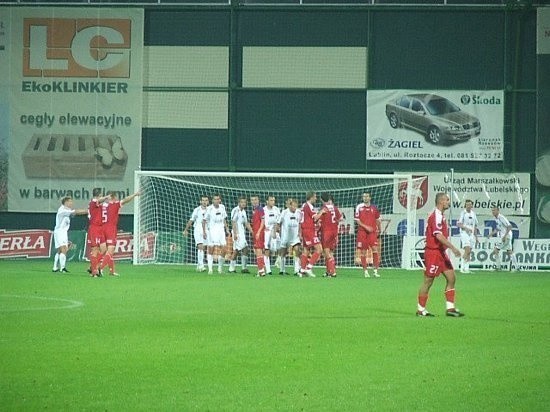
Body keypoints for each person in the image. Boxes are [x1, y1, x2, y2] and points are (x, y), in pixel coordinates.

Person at [417, 192, 464, 317]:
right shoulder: (436, 216)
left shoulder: (440, 215)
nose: (449, 202)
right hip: (433, 253)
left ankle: (450, 309)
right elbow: (438, 235)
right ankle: (421, 310)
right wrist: (453, 248)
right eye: (447, 200)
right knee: (428, 281)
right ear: (441, 201)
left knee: (451, 278)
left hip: (441, 253)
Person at [99, 191, 141, 276]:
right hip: (110, 228)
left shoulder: (102, 205)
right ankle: (101, 268)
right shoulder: (114, 204)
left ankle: (111, 271)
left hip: (101, 227)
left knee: (106, 250)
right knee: (110, 250)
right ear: (114, 197)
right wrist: (135, 195)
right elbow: (125, 200)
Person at [52, 196, 87, 273]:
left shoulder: (66, 210)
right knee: (64, 249)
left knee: (59, 250)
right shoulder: (62, 210)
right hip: (60, 232)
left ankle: (55, 267)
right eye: (70, 201)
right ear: (66, 202)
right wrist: (88, 210)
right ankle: (62, 268)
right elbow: (76, 212)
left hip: (61, 232)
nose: (72, 203)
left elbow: (72, 214)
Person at [355, 192, 381, 278]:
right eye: (363, 196)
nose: (365, 198)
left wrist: (379, 229)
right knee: (363, 252)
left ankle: (375, 271)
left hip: (372, 232)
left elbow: (377, 219)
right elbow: (357, 221)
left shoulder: (374, 208)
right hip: (362, 232)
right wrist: (366, 227)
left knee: (375, 250)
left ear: (370, 198)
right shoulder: (359, 207)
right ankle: (365, 271)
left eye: (366, 196)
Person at [487, 207, 519, 271]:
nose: (493, 212)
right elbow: (498, 228)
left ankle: (498, 267)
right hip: (507, 236)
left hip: (506, 236)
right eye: (492, 211)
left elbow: (509, 226)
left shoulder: (501, 218)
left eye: (494, 210)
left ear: (498, 211)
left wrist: (505, 236)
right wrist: (491, 234)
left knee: (496, 250)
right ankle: (517, 267)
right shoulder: (497, 219)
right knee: (509, 251)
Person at [203, 194, 229, 274]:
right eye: (214, 199)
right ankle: (210, 269)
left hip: (221, 230)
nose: (216, 201)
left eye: (218, 199)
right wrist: (204, 232)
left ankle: (219, 268)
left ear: (220, 200)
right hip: (212, 231)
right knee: (211, 248)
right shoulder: (209, 209)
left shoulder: (222, 207)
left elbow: (224, 218)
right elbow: (204, 221)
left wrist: (227, 228)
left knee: (224, 248)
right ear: (212, 200)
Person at [318, 193, 342, 277]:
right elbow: (340, 219)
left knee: (327, 253)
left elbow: (318, 221)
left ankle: (332, 272)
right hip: (334, 232)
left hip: (326, 232)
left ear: (321, 200)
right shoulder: (335, 208)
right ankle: (328, 271)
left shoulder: (324, 209)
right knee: (330, 252)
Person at [299, 191, 322, 277]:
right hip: (309, 230)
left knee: (306, 250)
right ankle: (309, 268)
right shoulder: (309, 206)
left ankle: (302, 270)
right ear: (311, 197)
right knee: (319, 249)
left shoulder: (303, 206)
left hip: (305, 230)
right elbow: (315, 217)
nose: (316, 198)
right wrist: (322, 212)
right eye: (315, 197)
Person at [183, 195, 209, 272]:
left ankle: (198, 265)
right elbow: (191, 220)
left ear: (208, 201)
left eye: (206, 200)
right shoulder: (197, 210)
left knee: (204, 248)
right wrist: (186, 230)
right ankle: (201, 266)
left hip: (206, 230)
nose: (204, 202)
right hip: (198, 229)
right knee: (200, 246)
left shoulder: (210, 209)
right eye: (203, 200)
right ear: (200, 201)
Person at [277, 198, 302, 276]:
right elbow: (278, 223)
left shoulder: (299, 212)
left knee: (297, 250)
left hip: (295, 237)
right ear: (290, 206)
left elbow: (300, 223)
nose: (295, 207)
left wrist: (300, 234)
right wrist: (277, 233)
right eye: (293, 206)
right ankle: (282, 270)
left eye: (296, 206)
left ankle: (296, 270)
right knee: (283, 253)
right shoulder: (284, 212)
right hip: (285, 236)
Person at [257, 195, 281, 275]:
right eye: (271, 200)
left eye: (273, 200)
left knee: (280, 248)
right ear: (267, 201)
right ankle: (268, 269)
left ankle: (278, 261)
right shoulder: (263, 210)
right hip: (266, 232)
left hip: (275, 231)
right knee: (267, 250)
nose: (273, 202)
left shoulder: (276, 209)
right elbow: (261, 221)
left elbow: (278, 221)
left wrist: (275, 230)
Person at [88, 188, 109, 277]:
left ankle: (93, 266)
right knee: (95, 250)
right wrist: (106, 197)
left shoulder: (99, 204)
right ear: (99, 195)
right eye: (101, 195)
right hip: (94, 228)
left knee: (104, 249)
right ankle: (94, 272)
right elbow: (99, 201)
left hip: (100, 228)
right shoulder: (93, 202)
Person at [229, 196, 253, 274]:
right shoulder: (236, 210)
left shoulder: (243, 212)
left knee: (244, 249)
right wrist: (235, 233)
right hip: (237, 233)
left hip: (242, 233)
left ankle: (242, 268)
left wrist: (252, 231)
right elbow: (233, 222)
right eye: (242, 202)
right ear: (239, 203)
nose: (243, 203)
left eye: (244, 202)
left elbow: (246, 223)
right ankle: (232, 268)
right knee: (237, 250)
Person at [457, 199, 479, 273]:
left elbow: (475, 226)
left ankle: (467, 268)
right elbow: (458, 224)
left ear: (472, 205)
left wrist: (476, 237)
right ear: (465, 205)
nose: (468, 206)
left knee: (470, 251)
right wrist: (465, 228)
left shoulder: (473, 214)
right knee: (467, 250)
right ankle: (462, 268)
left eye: (470, 204)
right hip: (464, 233)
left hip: (471, 234)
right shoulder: (463, 213)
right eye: (467, 204)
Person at [250, 195, 266, 276]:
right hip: (256, 232)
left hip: (259, 233)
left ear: (258, 200)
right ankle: (261, 269)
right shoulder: (254, 210)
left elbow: (263, 221)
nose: (254, 201)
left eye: (255, 199)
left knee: (259, 250)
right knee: (258, 251)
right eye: (252, 200)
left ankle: (261, 271)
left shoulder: (260, 209)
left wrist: (259, 232)